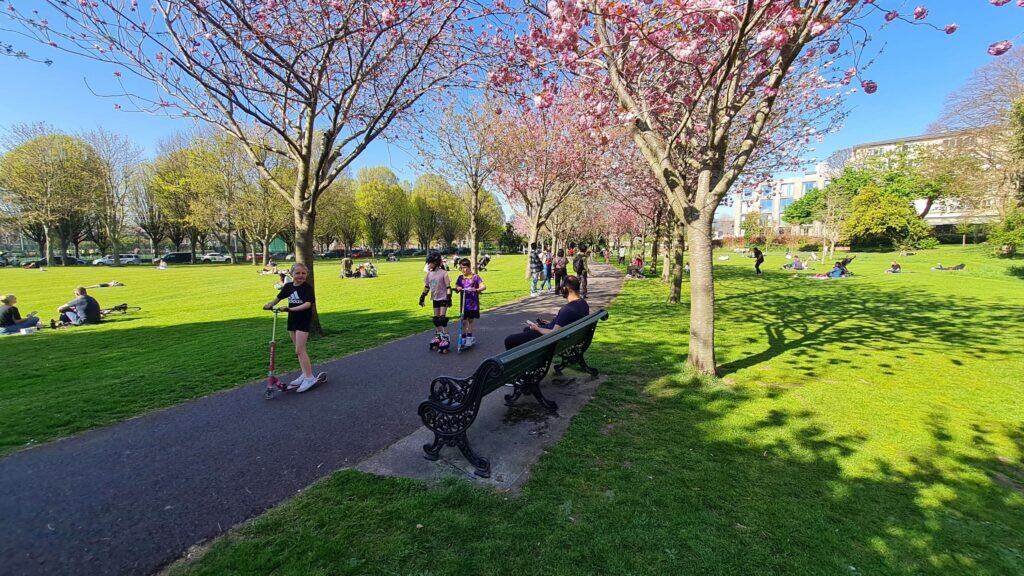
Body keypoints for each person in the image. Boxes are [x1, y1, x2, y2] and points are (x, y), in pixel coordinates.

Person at [263, 263, 318, 392]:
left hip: (303, 320)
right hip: (292, 320)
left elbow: (307, 305)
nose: (301, 276)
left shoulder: (307, 288)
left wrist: (289, 309)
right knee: (297, 350)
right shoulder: (288, 286)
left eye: (303, 273)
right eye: (297, 273)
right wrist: (269, 304)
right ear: (292, 274)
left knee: (300, 350)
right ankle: (305, 373)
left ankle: (310, 377)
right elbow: (277, 298)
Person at [504, 275, 590, 350]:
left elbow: (555, 333)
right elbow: (566, 322)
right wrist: (552, 322)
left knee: (509, 340)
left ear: (565, 289)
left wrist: (538, 328)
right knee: (527, 330)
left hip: (550, 341)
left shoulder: (567, 310)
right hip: (569, 339)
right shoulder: (583, 304)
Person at [420, 251, 453, 354]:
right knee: (436, 319)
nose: (428, 264)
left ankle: (446, 337)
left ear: (436, 262)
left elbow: (448, 287)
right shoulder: (429, 274)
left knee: (442, 319)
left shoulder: (444, 273)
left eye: (430, 262)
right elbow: (427, 287)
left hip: (443, 298)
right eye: (428, 262)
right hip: (435, 298)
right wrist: (422, 297)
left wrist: (448, 298)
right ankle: (438, 336)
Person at [454, 258, 486, 348]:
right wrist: (458, 287)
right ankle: (463, 337)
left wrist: (476, 289)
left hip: (473, 303)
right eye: (461, 268)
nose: (463, 270)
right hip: (464, 303)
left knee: (470, 320)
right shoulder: (460, 278)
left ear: (469, 267)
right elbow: (457, 285)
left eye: (464, 267)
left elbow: (483, 286)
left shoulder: (475, 277)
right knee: (463, 321)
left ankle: (469, 336)